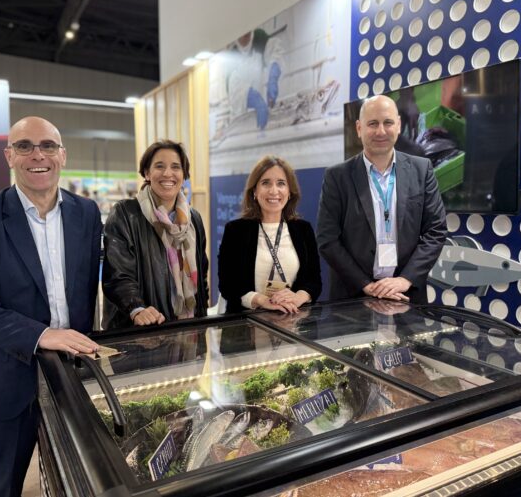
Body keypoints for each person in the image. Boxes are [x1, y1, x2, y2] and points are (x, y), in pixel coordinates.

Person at [0, 116, 102, 497]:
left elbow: (94, 284)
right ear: (9, 156)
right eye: (25, 146)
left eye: (48, 145)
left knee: (78, 481)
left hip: (73, 373)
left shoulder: (87, 213)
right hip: (8, 374)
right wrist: (42, 335)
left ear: (62, 155)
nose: (38, 155)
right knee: (3, 486)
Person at [317, 95, 446, 304]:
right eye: (372, 124)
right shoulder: (337, 176)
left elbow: (436, 230)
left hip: (406, 294)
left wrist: (405, 279)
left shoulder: (422, 170)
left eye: (388, 123)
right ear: (359, 128)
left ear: (398, 125)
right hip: (353, 296)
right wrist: (366, 285)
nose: (381, 131)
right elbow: (327, 239)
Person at [103, 140, 209, 328]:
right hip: (142, 330)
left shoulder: (194, 219)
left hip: (189, 329)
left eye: (175, 167)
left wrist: (202, 320)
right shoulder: (125, 214)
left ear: (184, 174)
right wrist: (137, 308)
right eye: (159, 166)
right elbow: (118, 275)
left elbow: (201, 278)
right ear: (147, 173)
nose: (168, 173)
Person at [218, 155, 321, 314]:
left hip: (294, 322)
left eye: (281, 183)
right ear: (254, 191)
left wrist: (298, 297)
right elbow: (227, 286)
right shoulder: (235, 231)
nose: (274, 191)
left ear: (289, 192)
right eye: (266, 183)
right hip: (246, 323)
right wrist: (262, 301)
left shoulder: (303, 229)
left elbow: (314, 281)